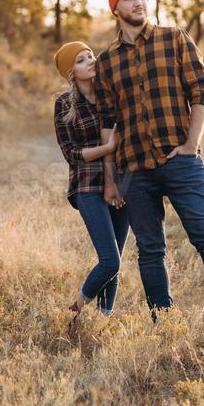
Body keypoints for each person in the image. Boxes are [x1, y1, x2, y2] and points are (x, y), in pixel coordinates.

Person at [95, 0, 204, 327]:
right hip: (135, 168)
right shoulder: (107, 60)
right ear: (116, 7)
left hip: (181, 161)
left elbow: (200, 92)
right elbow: (106, 123)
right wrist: (110, 179)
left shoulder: (174, 38)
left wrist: (192, 144)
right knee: (150, 250)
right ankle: (167, 324)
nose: (138, 2)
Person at [53, 40, 130, 319]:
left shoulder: (111, 94)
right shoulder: (63, 105)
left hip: (122, 183)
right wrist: (106, 149)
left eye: (91, 56)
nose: (91, 61)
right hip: (87, 186)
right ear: (71, 72)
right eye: (82, 60)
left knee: (116, 262)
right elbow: (71, 153)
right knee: (109, 261)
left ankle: (102, 321)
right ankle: (77, 307)